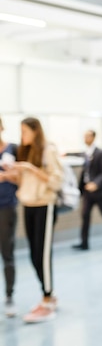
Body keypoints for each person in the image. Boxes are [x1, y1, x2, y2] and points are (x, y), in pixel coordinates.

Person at [13, 117, 63, 323]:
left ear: (35, 131)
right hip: (28, 205)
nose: (22, 135)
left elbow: (56, 181)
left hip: (45, 205)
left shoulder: (47, 150)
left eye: (25, 131)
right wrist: (11, 174)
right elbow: (24, 182)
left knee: (42, 255)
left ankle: (48, 298)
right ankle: (48, 295)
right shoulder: (24, 151)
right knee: (34, 254)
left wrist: (31, 168)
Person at [0, 117, 18, 317]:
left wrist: (6, 176)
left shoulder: (13, 149)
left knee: (7, 252)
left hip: (6, 207)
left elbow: (21, 177)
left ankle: (9, 296)